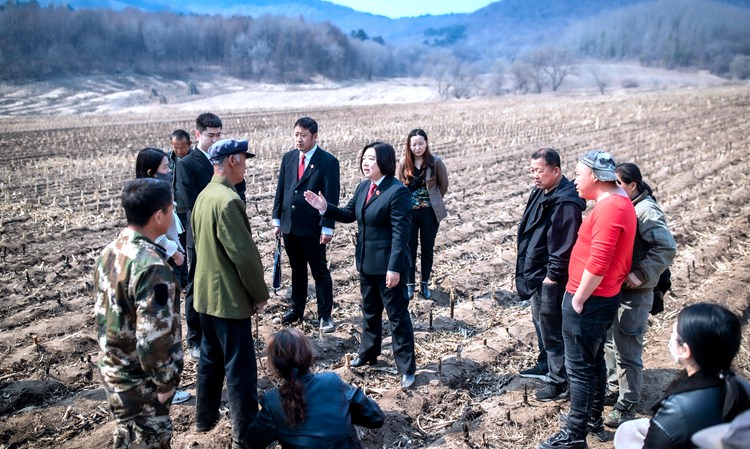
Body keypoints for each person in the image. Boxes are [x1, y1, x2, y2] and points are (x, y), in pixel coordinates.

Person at [540, 150, 637, 449]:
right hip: (599, 297)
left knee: (579, 368)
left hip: (590, 299)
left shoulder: (610, 209)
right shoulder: (618, 202)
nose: (574, 180)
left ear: (594, 176)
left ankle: (574, 434)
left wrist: (578, 299)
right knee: (592, 360)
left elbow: (599, 261)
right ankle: (591, 418)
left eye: (578, 174)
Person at [304, 142, 417, 389]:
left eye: (371, 159)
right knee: (370, 312)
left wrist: (394, 268)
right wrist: (325, 208)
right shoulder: (364, 186)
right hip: (366, 263)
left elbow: (401, 235)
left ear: (385, 162)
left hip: (388, 267)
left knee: (397, 318)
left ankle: (407, 368)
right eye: (364, 158)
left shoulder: (397, 192)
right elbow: (349, 213)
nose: (366, 163)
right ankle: (368, 353)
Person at [94, 178, 184, 448]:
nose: (173, 214)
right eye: (171, 209)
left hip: (114, 371)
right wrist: (165, 383)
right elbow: (153, 338)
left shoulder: (110, 252)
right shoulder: (152, 267)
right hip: (141, 383)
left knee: (127, 437)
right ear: (158, 216)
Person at [191, 139, 269, 448]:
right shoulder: (228, 201)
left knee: (210, 360)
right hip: (228, 300)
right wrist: (259, 294)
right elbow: (244, 257)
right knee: (240, 369)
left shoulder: (204, 196)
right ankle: (244, 436)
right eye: (244, 160)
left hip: (205, 297)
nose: (246, 167)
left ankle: (204, 419)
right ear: (233, 160)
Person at [614, 303, 750, 449]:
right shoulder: (740, 386)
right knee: (632, 429)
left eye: (674, 333)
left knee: (627, 434)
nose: (671, 338)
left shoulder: (676, 409)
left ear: (685, 350)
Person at [603, 163, 677, 428]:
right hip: (616, 288)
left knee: (627, 348)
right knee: (610, 343)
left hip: (635, 292)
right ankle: (614, 389)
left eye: (618, 184)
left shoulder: (645, 210)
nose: (612, 189)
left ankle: (628, 402)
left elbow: (666, 248)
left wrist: (641, 273)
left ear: (633, 185)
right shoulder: (625, 206)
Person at [515, 148, 586, 402]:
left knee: (553, 328)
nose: (534, 175)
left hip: (552, 279)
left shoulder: (565, 203)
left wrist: (551, 277)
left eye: (539, 171)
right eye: (532, 170)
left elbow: (564, 246)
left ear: (556, 170)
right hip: (537, 274)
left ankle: (559, 381)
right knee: (540, 323)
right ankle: (545, 364)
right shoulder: (541, 191)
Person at [176, 112, 247, 360]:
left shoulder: (227, 160)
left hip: (227, 231)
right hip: (200, 235)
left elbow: (239, 193)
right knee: (196, 285)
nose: (215, 139)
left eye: (219, 135)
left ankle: (216, 333)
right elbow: (193, 202)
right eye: (210, 135)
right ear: (198, 134)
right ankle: (195, 339)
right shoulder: (187, 164)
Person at [242, 328, 385, 448]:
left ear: (275, 366)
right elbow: (376, 418)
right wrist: (343, 413)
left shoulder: (273, 402)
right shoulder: (332, 382)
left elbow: (252, 442)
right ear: (309, 355)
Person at [134, 148, 191, 405]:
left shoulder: (150, 191)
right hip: (163, 265)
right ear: (151, 172)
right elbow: (154, 233)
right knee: (164, 327)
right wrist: (176, 254)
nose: (170, 171)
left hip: (165, 262)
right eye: (166, 168)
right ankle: (164, 387)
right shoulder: (150, 195)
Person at [273, 117, 340, 332]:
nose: (298, 139)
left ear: (314, 136)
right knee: (297, 270)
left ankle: (325, 316)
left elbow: (331, 196)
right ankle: (296, 309)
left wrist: (327, 226)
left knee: (320, 272)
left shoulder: (328, 162)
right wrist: (277, 219)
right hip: (290, 226)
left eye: (303, 135)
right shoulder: (289, 158)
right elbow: (282, 190)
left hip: (313, 228)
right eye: (296, 135)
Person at [396, 128, 449, 299]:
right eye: (414, 144)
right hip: (409, 214)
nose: (417, 147)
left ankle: (424, 283)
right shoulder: (403, 163)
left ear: (426, 143)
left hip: (429, 214)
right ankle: (410, 284)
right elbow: (398, 187)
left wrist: (433, 201)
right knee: (409, 249)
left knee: (427, 249)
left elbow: (443, 185)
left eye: (420, 143)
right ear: (409, 146)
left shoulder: (436, 162)